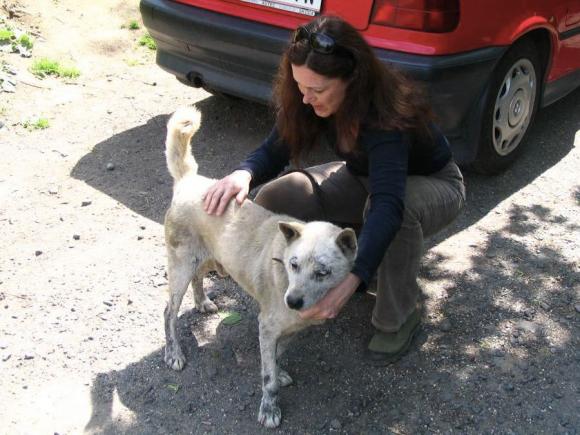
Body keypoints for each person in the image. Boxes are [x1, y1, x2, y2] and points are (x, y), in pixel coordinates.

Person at [202, 16, 466, 365]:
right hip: (361, 177)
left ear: (352, 80)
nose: (306, 97)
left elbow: (389, 203)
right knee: (279, 197)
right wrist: (243, 173)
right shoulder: (308, 98)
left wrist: (352, 282)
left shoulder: (385, 116)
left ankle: (398, 318)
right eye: (300, 86)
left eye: (318, 89)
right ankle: (294, 285)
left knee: (388, 216)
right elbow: (275, 148)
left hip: (434, 184)